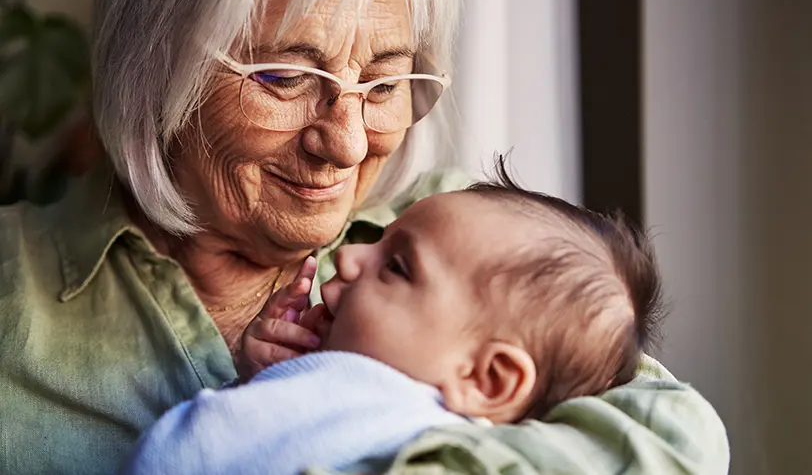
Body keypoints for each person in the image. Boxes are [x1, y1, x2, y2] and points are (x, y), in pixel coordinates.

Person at [0, 0, 729, 474]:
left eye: (383, 84)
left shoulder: (473, 239)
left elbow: (677, 443)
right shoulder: (15, 292)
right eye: (285, 77)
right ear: (156, 60)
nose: (346, 144)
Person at [123, 166, 665, 475]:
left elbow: (191, 455)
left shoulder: (391, 421)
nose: (351, 256)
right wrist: (266, 379)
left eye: (397, 266)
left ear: (488, 379)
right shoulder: (383, 403)